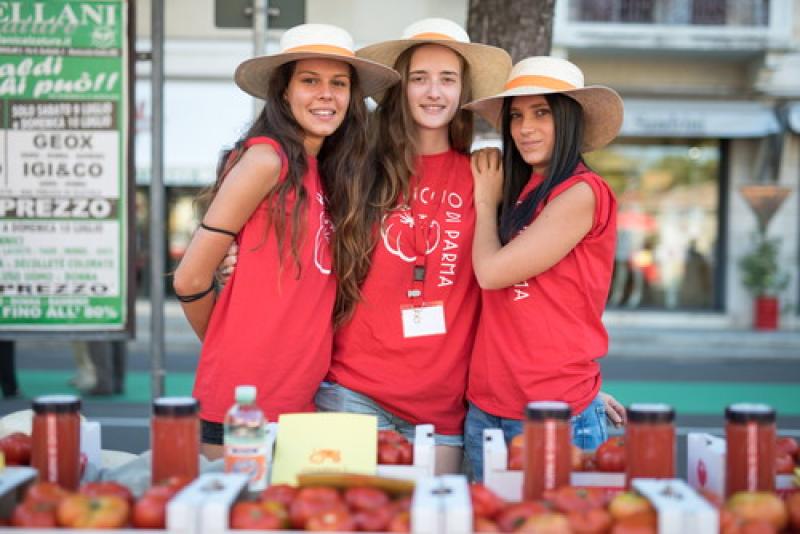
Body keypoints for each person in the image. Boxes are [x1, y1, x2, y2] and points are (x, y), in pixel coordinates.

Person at [173, 23, 399, 459]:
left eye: (339, 83)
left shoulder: (326, 170)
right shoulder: (264, 159)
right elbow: (189, 278)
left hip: (302, 398)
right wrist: (230, 344)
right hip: (242, 402)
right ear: (283, 92)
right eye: (310, 81)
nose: (326, 94)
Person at [463, 56, 626, 479]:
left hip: (554, 413)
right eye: (516, 116)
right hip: (487, 406)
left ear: (568, 120)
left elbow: (492, 273)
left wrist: (483, 200)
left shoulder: (582, 193)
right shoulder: (522, 190)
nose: (524, 128)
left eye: (542, 113)